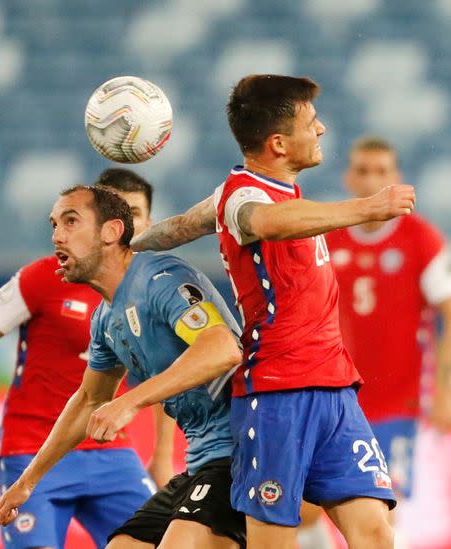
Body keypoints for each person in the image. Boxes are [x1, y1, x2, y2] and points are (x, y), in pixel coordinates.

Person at [132, 74, 416, 549]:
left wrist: (133, 243)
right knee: (273, 543)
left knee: (375, 533)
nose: (321, 129)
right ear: (280, 143)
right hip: (278, 395)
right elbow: (266, 222)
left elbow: (180, 227)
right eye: (311, 121)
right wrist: (368, 208)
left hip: (334, 390)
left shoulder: (260, 194)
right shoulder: (245, 196)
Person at [0, 185, 247, 549]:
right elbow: (88, 400)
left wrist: (129, 402)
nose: (56, 236)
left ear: (112, 231)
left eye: (70, 221)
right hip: (204, 461)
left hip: (246, 451)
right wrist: (28, 481)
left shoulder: (161, 278)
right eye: (53, 225)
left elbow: (222, 347)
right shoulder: (104, 320)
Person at [0, 169, 175, 549]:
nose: (129, 224)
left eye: (136, 214)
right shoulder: (45, 277)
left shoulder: (149, 291)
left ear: (148, 222)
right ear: (105, 225)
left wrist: (161, 456)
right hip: (31, 447)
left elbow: (164, 375)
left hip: (111, 453)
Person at [320, 137, 451, 545]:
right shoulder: (328, 237)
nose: (372, 179)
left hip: (395, 404)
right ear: (349, 177)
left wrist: (446, 390)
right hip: (334, 401)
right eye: (363, 170)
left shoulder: (420, 239)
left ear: (397, 178)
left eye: (381, 171)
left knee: (385, 513)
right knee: (303, 510)